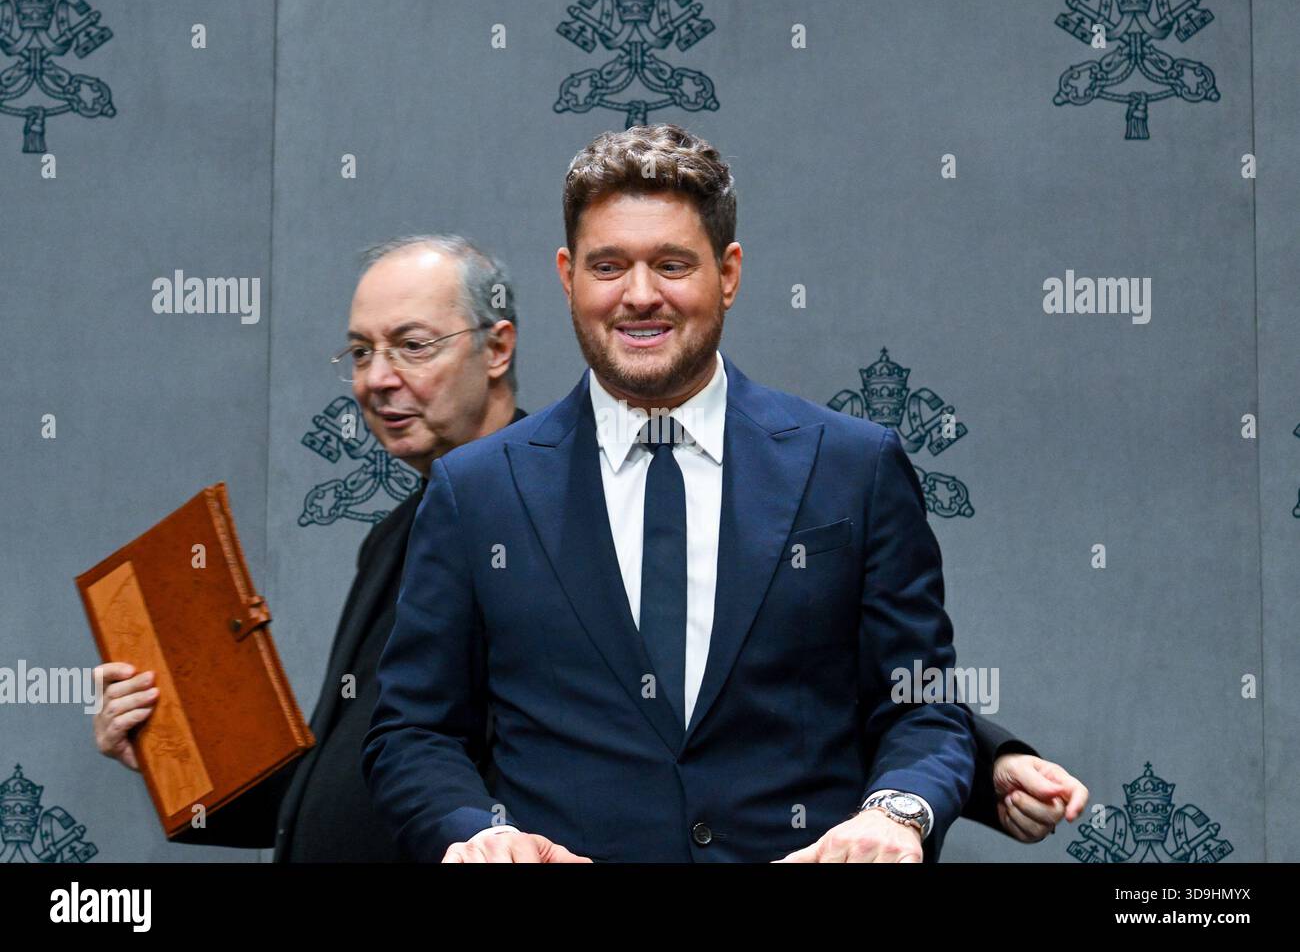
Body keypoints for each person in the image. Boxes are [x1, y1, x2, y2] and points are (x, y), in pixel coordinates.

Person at [363, 125, 1080, 863]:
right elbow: (413, 733)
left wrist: (897, 813)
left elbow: (919, 701)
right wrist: (477, 836)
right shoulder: (477, 490)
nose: (639, 296)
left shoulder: (853, 467)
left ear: (728, 273)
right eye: (608, 266)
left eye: (672, 264)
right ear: (567, 275)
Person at [91, 235, 522, 861]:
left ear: (497, 348)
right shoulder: (393, 535)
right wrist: (167, 753)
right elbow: (343, 784)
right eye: (360, 351)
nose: (376, 379)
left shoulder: (547, 517)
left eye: (411, 345)